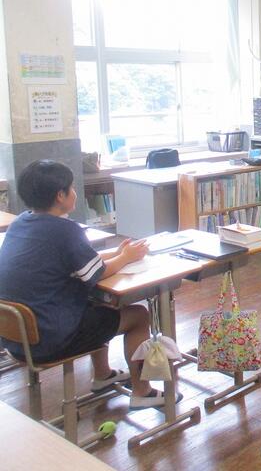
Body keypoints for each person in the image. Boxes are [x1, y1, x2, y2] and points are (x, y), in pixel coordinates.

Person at [0, 160, 170, 409]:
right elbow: (96, 274)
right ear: (60, 196)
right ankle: (142, 392)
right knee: (138, 315)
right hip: (49, 339)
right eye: (71, 188)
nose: (74, 192)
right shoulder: (65, 230)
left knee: (97, 305)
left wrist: (119, 254)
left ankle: (103, 375)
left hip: (16, 338)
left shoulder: (21, 223)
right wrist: (126, 258)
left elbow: (81, 262)